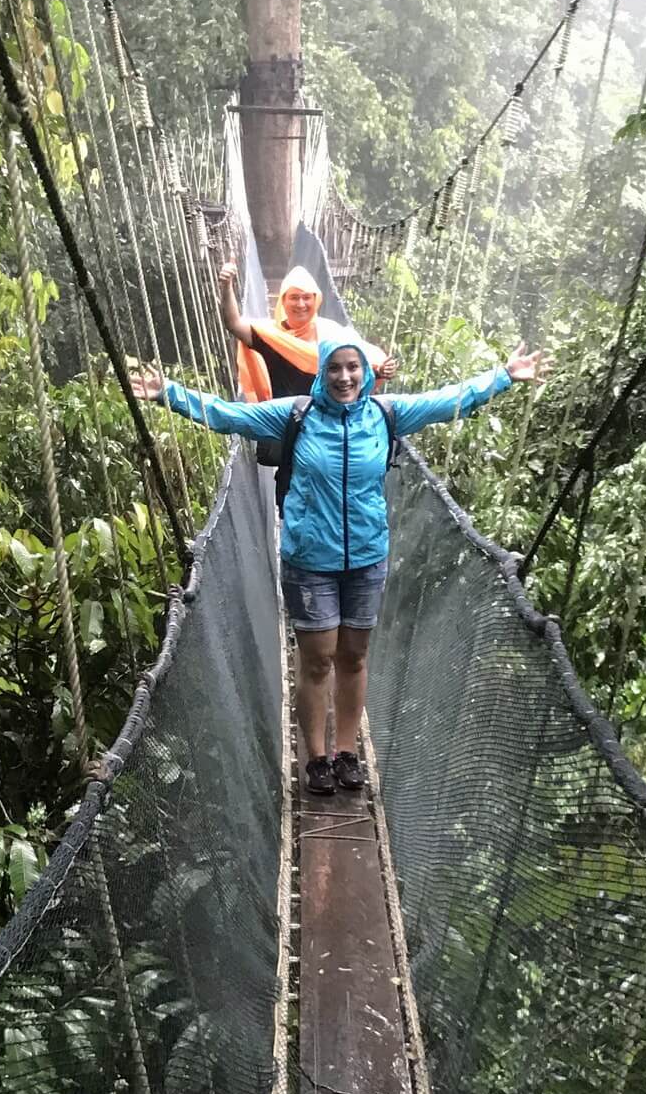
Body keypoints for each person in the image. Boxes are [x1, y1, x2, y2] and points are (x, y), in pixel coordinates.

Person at [128, 334, 542, 795]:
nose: (345, 377)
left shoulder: (385, 414)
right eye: (335, 369)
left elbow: (447, 401)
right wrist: (170, 393)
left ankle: (347, 752)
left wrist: (504, 377)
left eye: (354, 368)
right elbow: (231, 416)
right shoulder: (296, 414)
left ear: (365, 372)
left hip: (367, 558)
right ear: (322, 372)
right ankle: (317, 757)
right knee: (318, 659)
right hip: (310, 559)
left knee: (354, 656)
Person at [218, 262, 396, 403]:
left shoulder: (332, 332)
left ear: (316, 300)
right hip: (283, 425)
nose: (301, 304)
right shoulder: (271, 336)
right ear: (284, 302)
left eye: (307, 297)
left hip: (325, 424)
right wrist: (227, 286)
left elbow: (363, 364)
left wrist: (380, 370)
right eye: (294, 297)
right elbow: (234, 324)